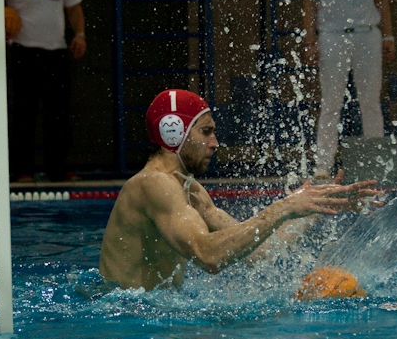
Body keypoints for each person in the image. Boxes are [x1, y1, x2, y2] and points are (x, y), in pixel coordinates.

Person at [99, 89, 380, 291]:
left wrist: (311, 209)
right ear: (173, 132)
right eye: (205, 131)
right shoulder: (153, 184)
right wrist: (283, 207)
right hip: (127, 327)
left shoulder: (191, 190)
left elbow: (259, 251)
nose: (214, 143)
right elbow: (208, 255)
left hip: (149, 319)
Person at [0, 0, 87, 182]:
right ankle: (23, 170)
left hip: (56, 53)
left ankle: (58, 169)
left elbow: (74, 8)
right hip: (24, 53)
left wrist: (80, 35)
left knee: (59, 114)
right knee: (24, 113)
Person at [302, 0, 395, 180]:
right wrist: (310, 42)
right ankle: (323, 165)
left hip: (367, 34)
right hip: (332, 35)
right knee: (331, 102)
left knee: (370, 101)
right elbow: (309, 3)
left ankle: (375, 161)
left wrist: (389, 35)